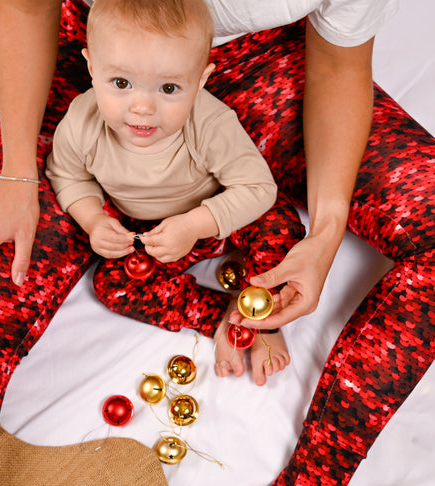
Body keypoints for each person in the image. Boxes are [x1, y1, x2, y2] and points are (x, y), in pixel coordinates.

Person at [0, 0, 435, 486]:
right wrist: (18, 175)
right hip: (102, 78)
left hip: (261, 72)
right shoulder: (92, 102)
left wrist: (326, 230)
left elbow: (335, 66)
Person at [45, 0, 302, 383]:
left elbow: (258, 188)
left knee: (281, 224)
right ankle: (220, 317)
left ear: (200, 79)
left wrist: (197, 223)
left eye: (169, 88)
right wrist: (93, 219)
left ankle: (261, 315)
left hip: (217, 213)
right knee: (114, 286)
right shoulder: (81, 124)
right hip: (154, 234)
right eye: (121, 84)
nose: (143, 107)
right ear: (92, 67)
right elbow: (67, 176)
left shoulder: (209, 123)